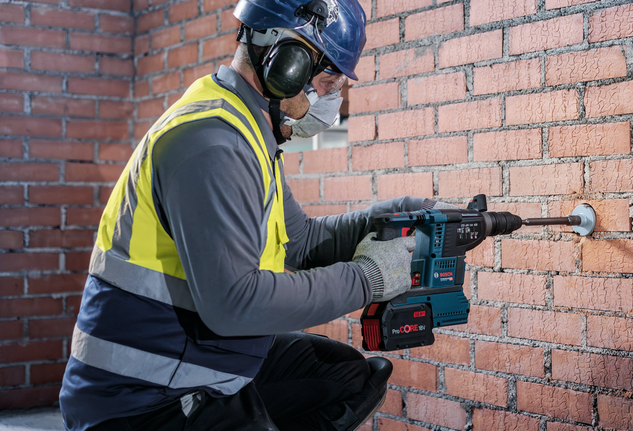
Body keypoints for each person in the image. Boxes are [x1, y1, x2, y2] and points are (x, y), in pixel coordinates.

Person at [59, 0, 452, 430]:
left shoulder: (246, 129)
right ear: (289, 60)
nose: (334, 95)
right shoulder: (212, 144)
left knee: (346, 375)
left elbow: (301, 242)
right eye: (331, 75)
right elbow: (235, 304)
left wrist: (398, 215)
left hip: (189, 367)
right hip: (142, 402)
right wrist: (368, 279)